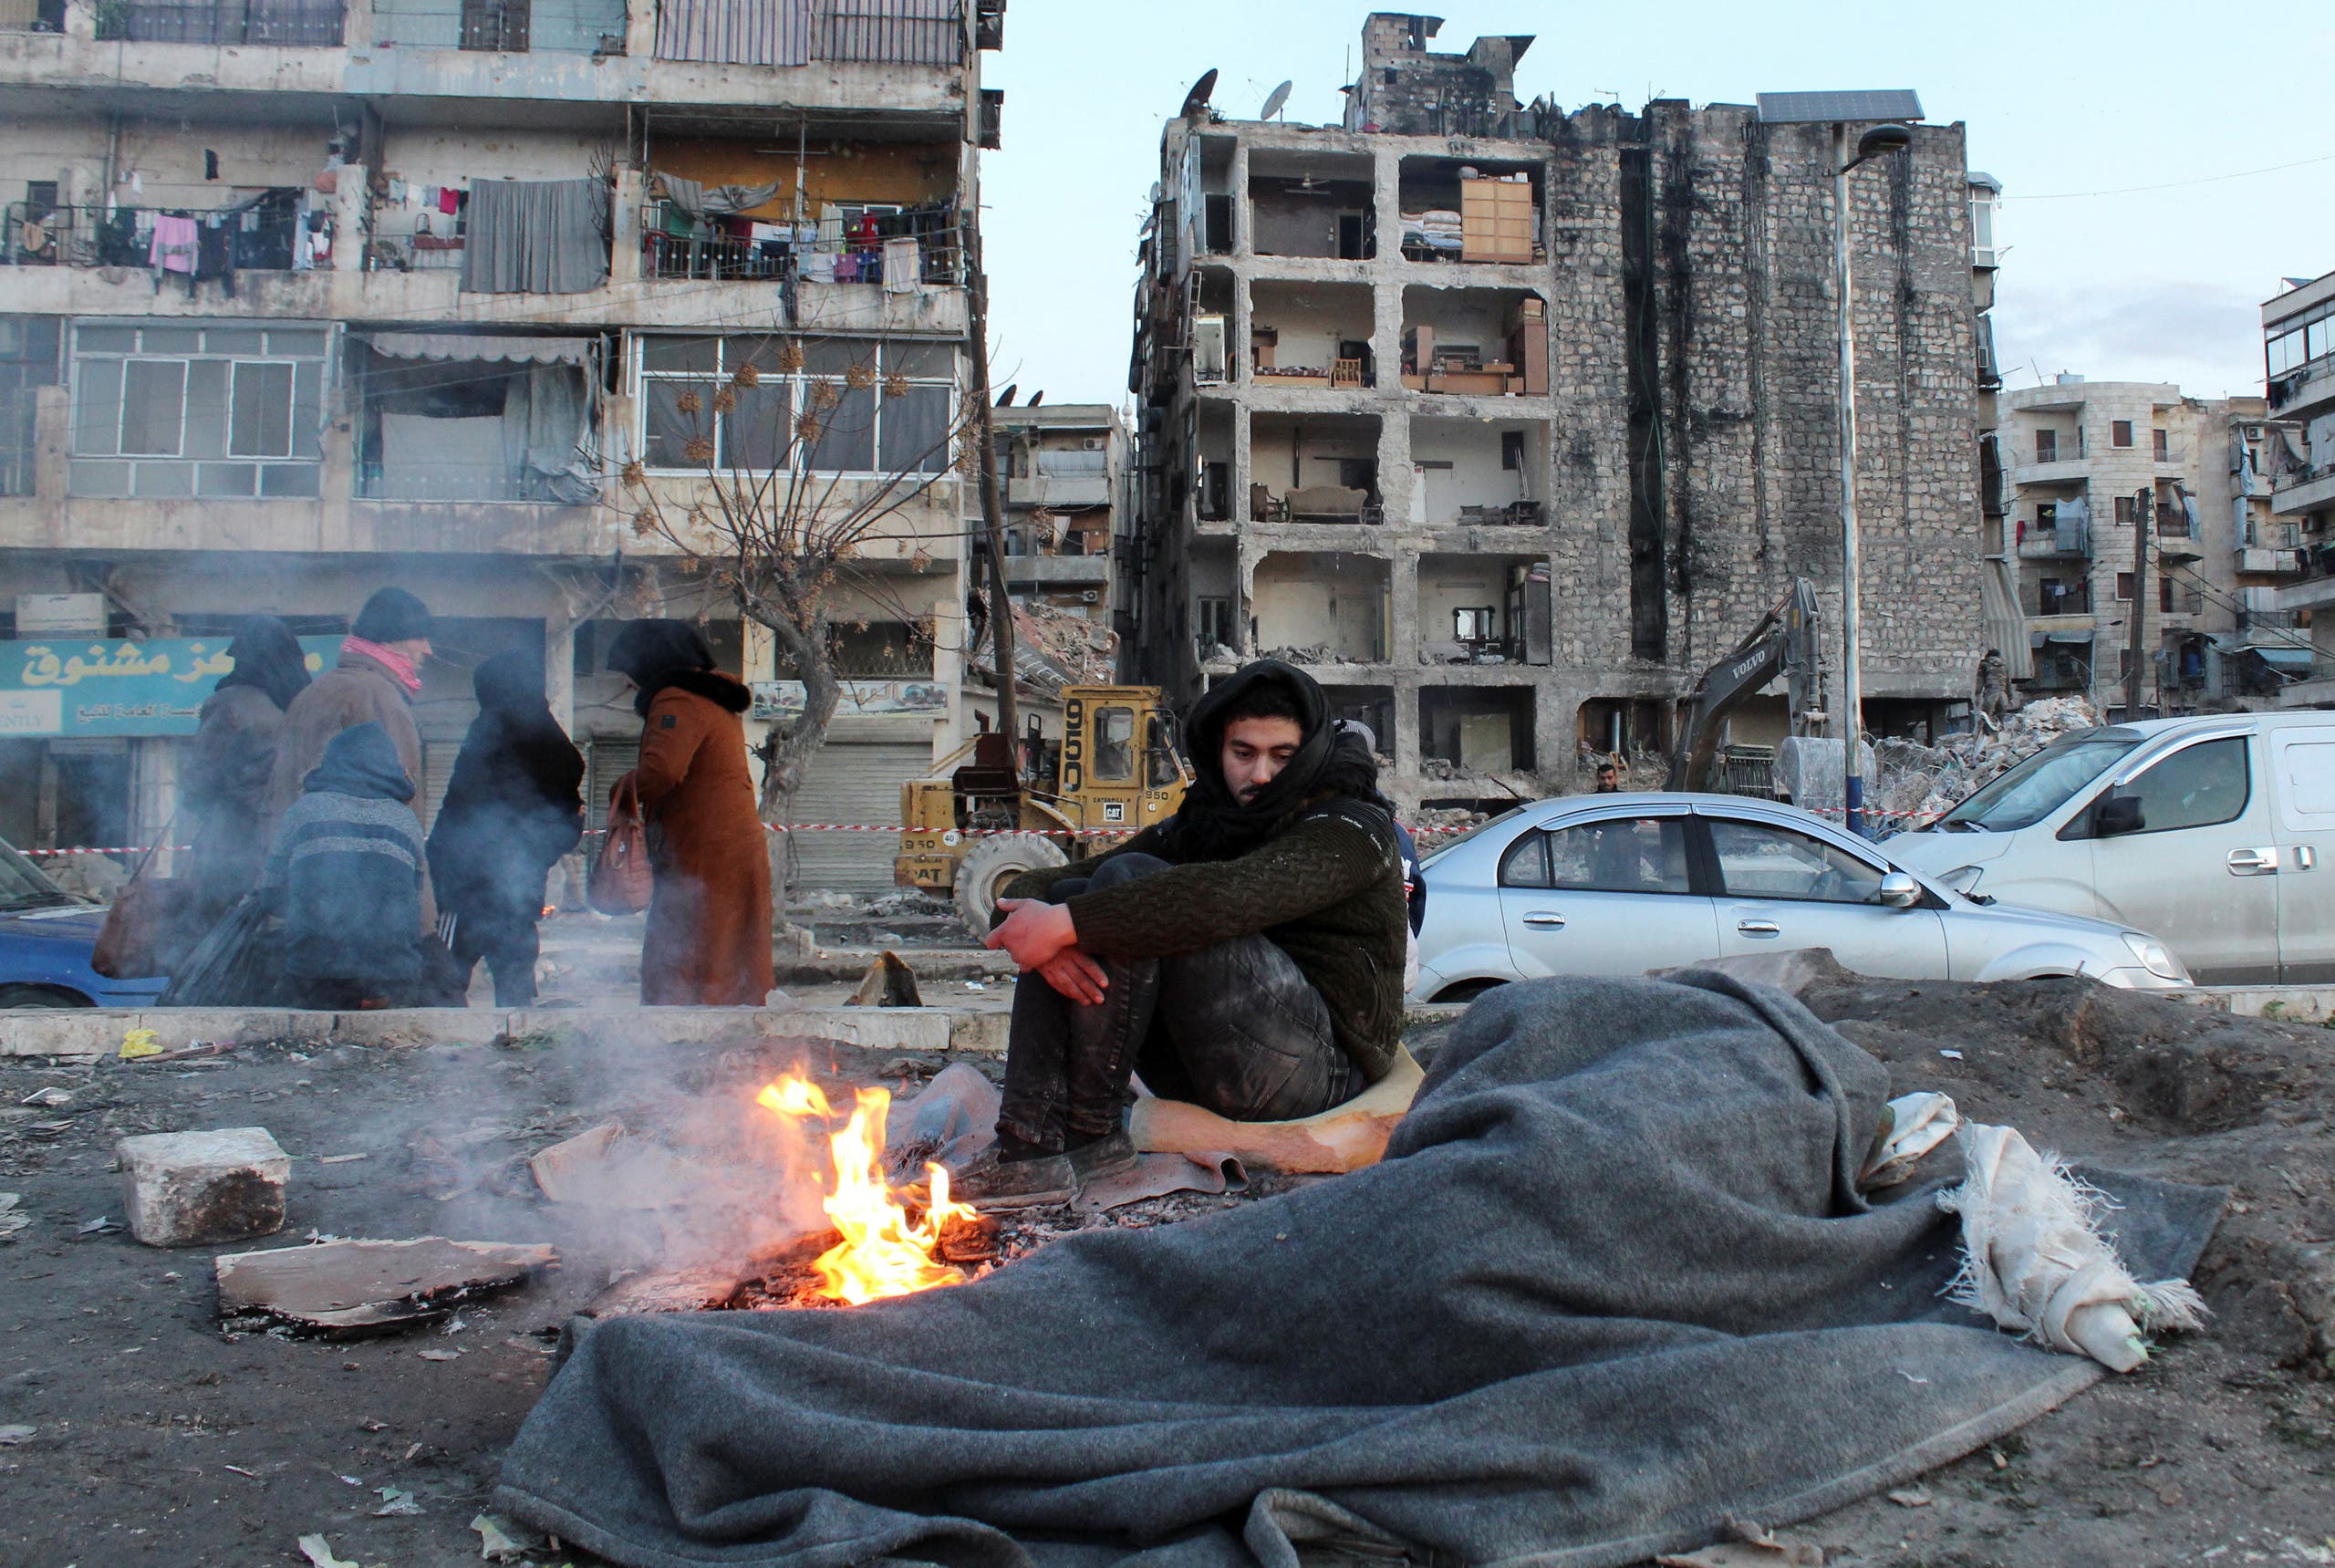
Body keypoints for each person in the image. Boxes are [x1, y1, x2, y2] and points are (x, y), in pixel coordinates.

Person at [960, 659, 1408, 1209]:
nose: (1261, 775)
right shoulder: (1208, 821)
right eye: (1244, 754)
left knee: (1133, 891)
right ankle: (1030, 1144)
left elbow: (1237, 892)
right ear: (1219, 752)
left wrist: (1065, 927)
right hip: (1222, 1058)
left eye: (1281, 756)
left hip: (1323, 1070)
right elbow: (1059, 876)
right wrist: (1033, 921)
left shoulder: (1352, 826)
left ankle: (1090, 1133)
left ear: (1309, 754)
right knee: (1081, 893)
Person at [604, 619, 773, 1006]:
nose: (628, 683)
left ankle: (687, 1044)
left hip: (702, 854)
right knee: (730, 957)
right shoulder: (711, 699)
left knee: (689, 957)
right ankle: (729, 1042)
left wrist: (620, 791)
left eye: (628, 671)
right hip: (725, 850)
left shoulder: (676, 699)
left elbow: (662, 771)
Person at [426, 648, 584, 1007]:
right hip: (519, 890)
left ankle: (437, 1053)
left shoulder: (488, 729)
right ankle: (517, 1047)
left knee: (445, 979)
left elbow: (459, 807)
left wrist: (438, 869)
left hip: (466, 887)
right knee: (515, 985)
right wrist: (537, 855)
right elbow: (568, 821)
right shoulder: (553, 740)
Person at [259, 722, 431, 1010]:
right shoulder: (405, 820)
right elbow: (413, 896)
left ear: (332, 761)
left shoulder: (305, 810)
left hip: (316, 973)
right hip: (394, 975)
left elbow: (271, 893)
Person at [183, 615, 311, 919]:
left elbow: (199, 779)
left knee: (217, 947)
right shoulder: (306, 704)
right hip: (296, 845)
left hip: (233, 846)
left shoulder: (230, 703)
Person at [1977, 648, 2011, 724]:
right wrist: (2010, 696)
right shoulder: (2004, 665)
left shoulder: (1984, 664)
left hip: (1991, 692)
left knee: (1986, 717)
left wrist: (1977, 694)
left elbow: (1980, 680)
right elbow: (2008, 681)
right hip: (2002, 693)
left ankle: (1988, 735)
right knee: (2000, 718)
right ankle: (2000, 733)